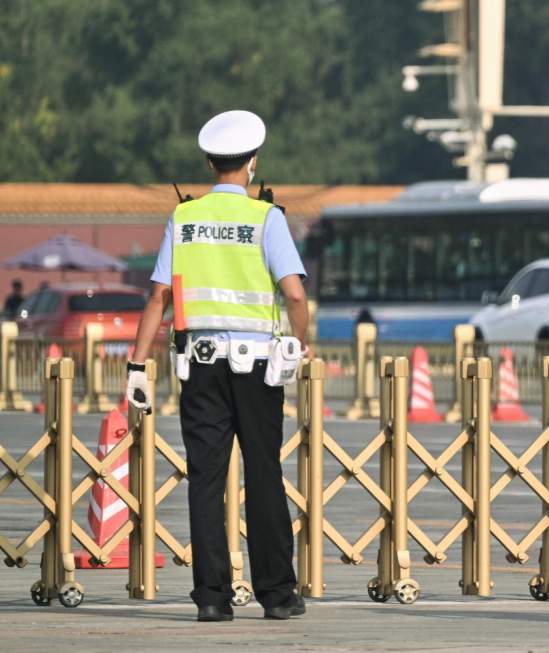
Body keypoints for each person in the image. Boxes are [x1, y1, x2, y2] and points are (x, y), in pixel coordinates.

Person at [127, 110, 309, 622]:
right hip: (257, 368)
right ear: (253, 163)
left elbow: (159, 297)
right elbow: (294, 293)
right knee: (264, 473)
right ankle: (277, 594)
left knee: (205, 479)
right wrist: (301, 342)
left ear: (209, 163)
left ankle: (211, 597)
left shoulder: (183, 218)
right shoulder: (266, 218)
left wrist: (136, 366)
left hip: (199, 366)